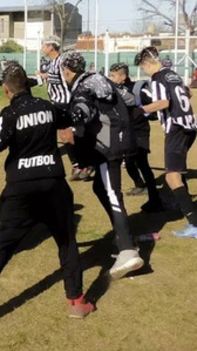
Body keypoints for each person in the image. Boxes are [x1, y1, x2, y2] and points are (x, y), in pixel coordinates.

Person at [0, 63, 94, 320]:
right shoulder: (48, 108)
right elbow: (74, 118)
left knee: (3, 244)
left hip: (20, 186)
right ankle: (76, 301)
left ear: (6, 90)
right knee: (66, 242)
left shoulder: (11, 113)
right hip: (53, 183)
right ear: (28, 86)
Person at [60, 52, 144, 278]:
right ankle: (122, 235)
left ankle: (127, 249)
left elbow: (83, 111)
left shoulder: (82, 88)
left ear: (67, 71)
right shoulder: (101, 79)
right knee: (101, 188)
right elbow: (129, 99)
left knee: (112, 193)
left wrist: (68, 120)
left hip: (108, 148)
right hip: (120, 139)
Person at [135, 47, 197, 238]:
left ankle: (194, 224)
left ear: (147, 64)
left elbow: (163, 103)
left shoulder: (158, 78)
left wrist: (138, 111)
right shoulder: (173, 75)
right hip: (189, 125)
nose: (144, 71)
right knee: (177, 171)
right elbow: (188, 94)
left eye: (142, 67)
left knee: (171, 177)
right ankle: (181, 203)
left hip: (176, 127)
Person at [108, 63, 162, 211]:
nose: (111, 78)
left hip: (140, 131)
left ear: (123, 77)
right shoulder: (114, 90)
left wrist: (147, 114)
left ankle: (155, 199)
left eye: (113, 76)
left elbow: (155, 103)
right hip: (126, 131)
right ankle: (139, 185)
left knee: (142, 163)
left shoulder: (138, 89)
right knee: (129, 162)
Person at [39, 35, 91, 181]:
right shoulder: (51, 63)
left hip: (68, 103)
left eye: (44, 45)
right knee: (64, 135)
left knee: (72, 135)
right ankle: (76, 165)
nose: (42, 48)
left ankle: (85, 164)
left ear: (51, 47)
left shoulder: (63, 61)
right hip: (57, 104)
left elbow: (73, 80)